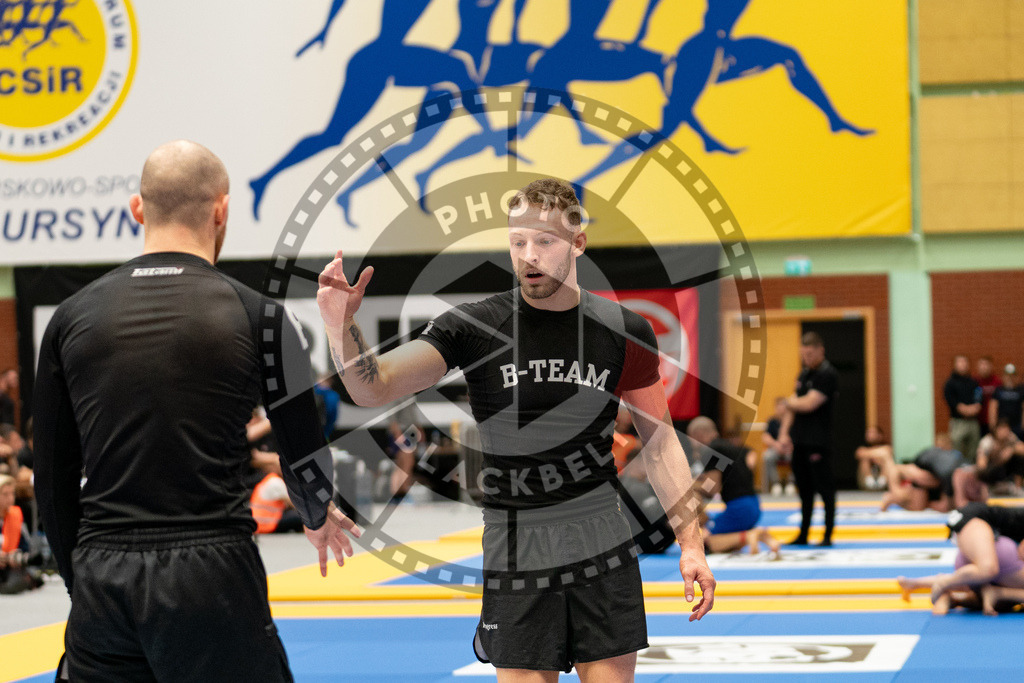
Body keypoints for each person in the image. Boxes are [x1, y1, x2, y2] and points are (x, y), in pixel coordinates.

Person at [317, 178, 715, 680]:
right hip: (516, 542)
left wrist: (692, 544)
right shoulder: (474, 327)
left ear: (577, 243)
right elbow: (372, 387)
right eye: (517, 242)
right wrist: (340, 329)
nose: (529, 255)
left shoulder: (623, 329)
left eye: (545, 242)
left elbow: (659, 443)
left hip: (602, 536)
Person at [33, 140, 360, 682]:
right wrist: (316, 512)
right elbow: (302, 446)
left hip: (103, 572)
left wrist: (82, 580)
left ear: (137, 209)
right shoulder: (260, 316)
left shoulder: (71, 316)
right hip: (211, 573)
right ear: (222, 208)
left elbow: (52, 474)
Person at [778, 331, 839, 546]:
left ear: (820, 351)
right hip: (800, 442)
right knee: (804, 490)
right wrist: (784, 433)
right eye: (804, 354)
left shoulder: (827, 374)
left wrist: (788, 402)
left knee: (825, 489)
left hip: (818, 442)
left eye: (811, 354)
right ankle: (803, 534)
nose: (807, 358)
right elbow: (793, 408)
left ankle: (827, 535)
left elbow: (808, 403)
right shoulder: (804, 375)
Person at [687, 417, 780, 557]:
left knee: (707, 542)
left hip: (740, 509)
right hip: (753, 504)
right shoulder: (730, 446)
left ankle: (748, 536)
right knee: (727, 545)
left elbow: (712, 489)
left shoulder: (711, 450)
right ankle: (759, 535)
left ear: (698, 435)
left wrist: (688, 485)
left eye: (691, 439)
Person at [927, 502, 1024, 614]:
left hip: (980, 554)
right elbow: (1022, 551)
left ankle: (954, 599)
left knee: (1003, 603)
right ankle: (943, 582)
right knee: (987, 569)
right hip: (977, 523)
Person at [869, 433, 964, 512]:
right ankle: (892, 496)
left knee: (919, 504)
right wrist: (895, 493)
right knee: (915, 499)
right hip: (922, 478)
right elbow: (896, 470)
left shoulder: (946, 462)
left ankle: (893, 496)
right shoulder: (920, 469)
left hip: (932, 482)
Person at [944, 354, 982, 464]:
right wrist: (965, 409)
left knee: (973, 450)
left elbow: (978, 398)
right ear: (955, 365)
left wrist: (974, 408)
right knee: (957, 450)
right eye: (960, 362)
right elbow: (953, 403)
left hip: (973, 422)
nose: (963, 365)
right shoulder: (950, 383)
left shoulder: (973, 382)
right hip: (958, 422)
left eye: (965, 362)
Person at [760, 397, 793, 495]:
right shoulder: (772, 421)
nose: (781, 409)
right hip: (775, 449)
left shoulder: (792, 421)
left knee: (799, 456)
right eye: (778, 406)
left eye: (783, 406)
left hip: (790, 450)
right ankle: (776, 483)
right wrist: (776, 445)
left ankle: (791, 483)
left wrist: (790, 446)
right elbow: (765, 436)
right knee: (767, 456)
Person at [990, 364, 1024, 440]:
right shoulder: (998, 390)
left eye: (1012, 376)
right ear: (1003, 376)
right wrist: (993, 427)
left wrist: (1022, 427)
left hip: (1016, 427)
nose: (1010, 378)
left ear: (1016, 376)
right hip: (1001, 428)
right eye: (1007, 375)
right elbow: (993, 408)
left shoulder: (1021, 390)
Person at [854, 425, 889, 491]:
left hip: (883, 480)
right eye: (868, 432)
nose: (869, 435)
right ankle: (870, 482)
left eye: (872, 432)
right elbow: (859, 453)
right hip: (867, 482)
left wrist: (870, 454)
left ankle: (881, 482)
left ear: (880, 435)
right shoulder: (863, 449)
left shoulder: (886, 448)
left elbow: (887, 452)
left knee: (887, 459)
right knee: (864, 459)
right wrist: (877, 455)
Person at [975, 356, 1000, 437]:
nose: (984, 367)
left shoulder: (997, 382)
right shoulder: (974, 381)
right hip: (977, 421)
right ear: (978, 367)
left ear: (991, 366)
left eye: (986, 364)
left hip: (994, 421)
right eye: (982, 364)